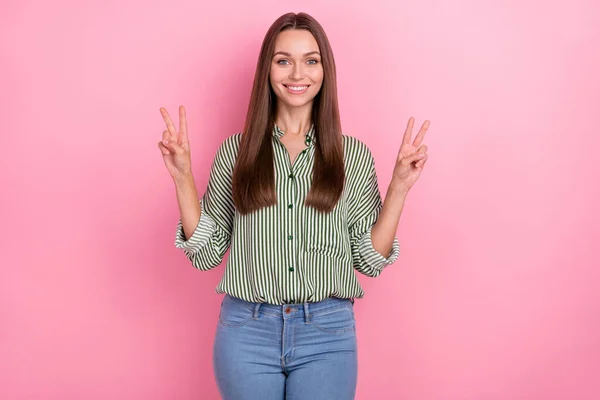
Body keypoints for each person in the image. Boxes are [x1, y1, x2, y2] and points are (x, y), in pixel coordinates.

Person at [157, 11, 429, 400]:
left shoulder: (351, 156)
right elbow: (207, 253)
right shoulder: (236, 153)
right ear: (268, 69)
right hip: (246, 332)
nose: (297, 73)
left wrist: (400, 186)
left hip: (327, 333)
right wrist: (182, 176)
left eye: (310, 61)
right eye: (283, 60)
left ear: (324, 70)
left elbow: (368, 260)